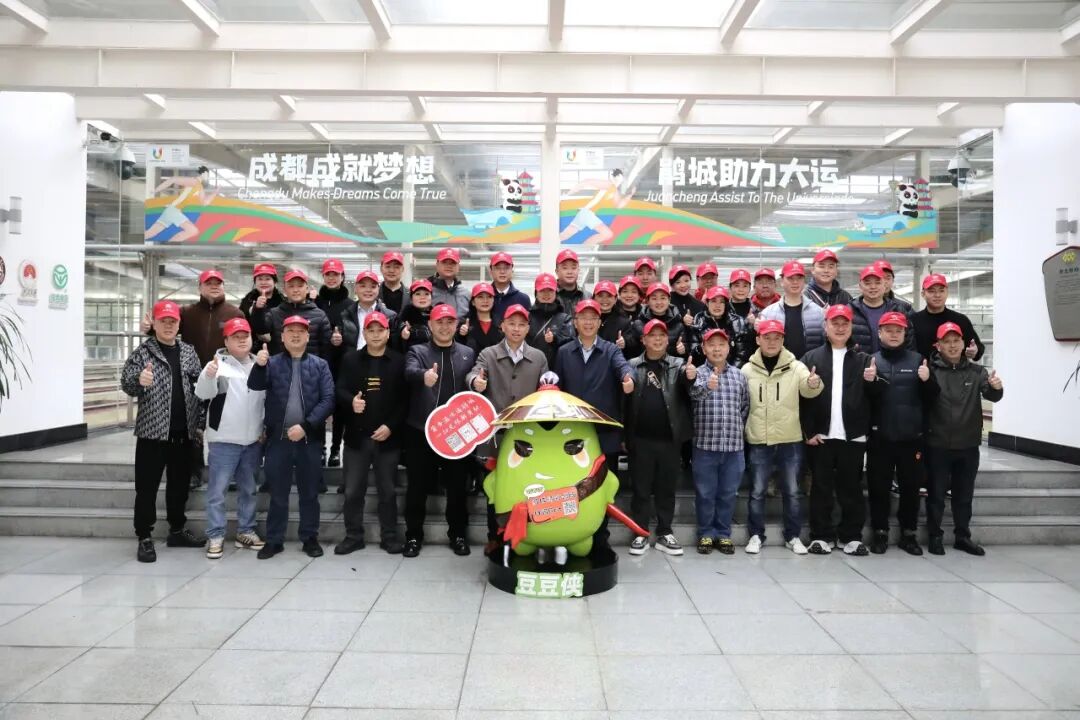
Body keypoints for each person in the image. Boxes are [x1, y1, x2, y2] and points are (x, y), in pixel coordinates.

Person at [120, 300, 207, 563]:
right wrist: (139, 380)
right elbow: (126, 383)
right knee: (146, 488)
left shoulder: (189, 352)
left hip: (183, 433)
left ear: (179, 324)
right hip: (152, 433)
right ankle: (144, 537)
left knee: (179, 486)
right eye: (163, 321)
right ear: (154, 324)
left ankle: (177, 530)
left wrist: (199, 425)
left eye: (173, 321)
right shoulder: (144, 352)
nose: (168, 326)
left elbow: (200, 389)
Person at [247, 315, 335, 559]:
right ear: (282, 337)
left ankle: (310, 538)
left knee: (310, 493)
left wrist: (306, 426)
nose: (296, 335)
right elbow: (255, 386)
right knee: (278, 493)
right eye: (290, 331)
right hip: (278, 440)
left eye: (301, 331)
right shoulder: (272, 363)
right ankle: (274, 540)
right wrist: (259, 365)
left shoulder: (320, 365)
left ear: (308, 336)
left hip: (309, 439)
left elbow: (328, 400)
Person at [800, 304, 881, 556]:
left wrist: (873, 382)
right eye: (834, 323)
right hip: (821, 436)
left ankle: (851, 537)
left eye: (844, 323)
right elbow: (800, 400)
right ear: (825, 327)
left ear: (851, 327)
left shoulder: (865, 360)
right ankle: (820, 536)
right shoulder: (810, 358)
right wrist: (808, 431)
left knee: (852, 488)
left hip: (853, 436)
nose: (840, 327)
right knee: (820, 488)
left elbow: (876, 399)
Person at [555, 299, 635, 553]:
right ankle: (571, 535)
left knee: (602, 489)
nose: (588, 323)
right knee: (571, 486)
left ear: (600, 323)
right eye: (583, 318)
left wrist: (628, 378)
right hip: (572, 435)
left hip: (605, 434)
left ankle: (601, 538)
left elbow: (624, 368)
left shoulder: (610, 350)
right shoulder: (564, 352)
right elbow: (556, 387)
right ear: (575, 322)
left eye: (593, 318)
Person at [467, 304, 549, 550]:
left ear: (528, 328)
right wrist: (476, 382)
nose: (516, 329)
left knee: (526, 486)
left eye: (521, 324)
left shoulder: (538, 357)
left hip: (526, 437)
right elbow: (473, 374)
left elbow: (546, 388)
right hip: (495, 435)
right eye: (511, 324)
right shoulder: (489, 354)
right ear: (502, 326)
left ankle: (526, 537)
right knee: (494, 488)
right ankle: (494, 536)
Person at [402, 304, 477, 558]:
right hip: (421, 430)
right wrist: (423, 375)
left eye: (449, 322)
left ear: (456, 325)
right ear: (430, 325)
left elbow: (474, 378)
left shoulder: (467, 353)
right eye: (439, 322)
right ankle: (413, 536)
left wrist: (477, 382)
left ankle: (458, 534)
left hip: (456, 433)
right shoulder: (418, 351)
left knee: (457, 487)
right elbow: (408, 371)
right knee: (417, 487)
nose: (444, 327)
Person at [741, 319, 822, 555]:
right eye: (767, 337)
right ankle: (756, 535)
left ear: (783, 340)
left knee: (792, 492)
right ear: (758, 339)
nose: (772, 342)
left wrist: (814, 383)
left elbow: (809, 389)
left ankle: (793, 536)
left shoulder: (796, 367)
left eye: (777, 338)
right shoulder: (747, 370)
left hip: (790, 440)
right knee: (757, 491)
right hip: (759, 440)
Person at [923, 321, 1004, 556]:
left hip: (968, 444)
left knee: (964, 495)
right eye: (946, 341)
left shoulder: (977, 372)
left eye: (956, 341)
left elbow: (992, 395)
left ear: (963, 343)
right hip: (937, 443)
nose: (952, 346)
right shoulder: (930, 371)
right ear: (938, 345)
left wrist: (996, 388)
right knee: (936, 494)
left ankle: (962, 537)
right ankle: (935, 536)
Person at [334, 311, 406, 555]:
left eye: (380, 330)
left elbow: (404, 401)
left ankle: (389, 536)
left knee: (388, 491)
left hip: (388, 438)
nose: (375, 335)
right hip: (357, 438)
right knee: (353, 491)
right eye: (370, 330)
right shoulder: (350, 359)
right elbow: (340, 389)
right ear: (363, 333)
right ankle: (353, 536)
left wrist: (391, 426)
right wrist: (351, 402)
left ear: (388, 333)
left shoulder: (398, 361)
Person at [194, 317, 266, 559]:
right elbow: (203, 394)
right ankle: (215, 534)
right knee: (217, 492)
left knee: (249, 490)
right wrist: (209, 376)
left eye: (245, 336)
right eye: (236, 337)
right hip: (224, 440)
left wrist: (263, 428)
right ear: (226, 341)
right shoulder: (216, 365)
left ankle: (246, 530)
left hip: (252, 441)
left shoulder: (260, 364)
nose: (242, 340)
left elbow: (265, 400)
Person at [624, 319, 694, 556]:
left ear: (667, 340)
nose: (657, 339)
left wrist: (691, 376)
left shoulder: (678, 364)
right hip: (640, 439)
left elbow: (689, 384)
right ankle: (640, 532)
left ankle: (665, 532)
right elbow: (624, 403)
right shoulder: (632, 365)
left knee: (666, 489)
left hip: (669, 440)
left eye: (661, 335)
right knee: (641, 489)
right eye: (652, 335)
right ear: (643, 340)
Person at [868, 311, 933, 555]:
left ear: (905, 334)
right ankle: (880, 532)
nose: (894, 335)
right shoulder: (872, 361)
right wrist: (868, 383)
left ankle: (909, 534)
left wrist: (928, 381)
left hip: (911, 437)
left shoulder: (918, 360)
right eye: (889, 330)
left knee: (910, 489)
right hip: (880, 438)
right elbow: (865, 400)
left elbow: (932, 397)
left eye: (898, 331)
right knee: (878, 488)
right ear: (880, 333)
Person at [689, 328, 750, 555]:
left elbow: (745, 407)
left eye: (721, 344)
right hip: (705, 446)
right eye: (711, 344)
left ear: (728, 347)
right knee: (705, 493)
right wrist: (708, 387)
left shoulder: (739, 375)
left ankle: (723, 534)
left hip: (734, 447)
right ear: (703, 348)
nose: (717, 349)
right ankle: (705, 533)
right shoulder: (696, 374)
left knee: (728, 493)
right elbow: (692, 398)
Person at [315, 258, 353, 469]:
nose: (331, 278)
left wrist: (343, 339)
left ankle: (336, 448)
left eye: (335, 274)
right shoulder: (315, 303)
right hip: (319, 361)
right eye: (328, 274)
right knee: (320, 405)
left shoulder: (350, 305)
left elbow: (356, 334)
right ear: (323, 277)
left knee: (340, 408)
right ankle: (320, 447)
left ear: (342, 277)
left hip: (342, 363)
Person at [252, 268, 332, 358]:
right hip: (280, 365)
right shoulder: (274, 313)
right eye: (291, 286)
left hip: (310, 366)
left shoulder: (320, 315)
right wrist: (258, 309)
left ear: (307, 289)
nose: (295, 290)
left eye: (300, 286)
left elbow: (326, 348)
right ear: (284, 290)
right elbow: (260, 329)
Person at [759, 261, 827, 359]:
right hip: (779, 366)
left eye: (799, 278)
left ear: (804, 281)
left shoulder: (818, 312)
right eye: (790, 278)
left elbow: (824, 344)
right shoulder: (768, 314)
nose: (795, 282)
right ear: (782, 281)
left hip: (810, 366)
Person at [911, 273, 985, 362]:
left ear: (947, 293)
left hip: (955, 370)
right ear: (923, 294)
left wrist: (975, 351)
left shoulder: (960, 320)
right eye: (932, 291)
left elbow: (978, 347)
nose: (937, 295)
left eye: (941, 291)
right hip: (923, 370)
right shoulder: (913, 321)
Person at [850, 264, 915, 355]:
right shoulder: (849, 310)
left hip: (893, 363)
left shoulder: (899, 310)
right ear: (860, 286)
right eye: (867, 283)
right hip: (859, 363)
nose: (873, 287)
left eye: (877, 283)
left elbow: (910, 343)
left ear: (884, 285)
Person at [690, 286, 751, 368]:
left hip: (733, 370)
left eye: (722, 302)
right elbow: (693, 356)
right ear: (707, 303)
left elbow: (742, 354)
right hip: (705, 370)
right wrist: (700, 348)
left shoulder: (738, 322)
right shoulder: (698, 321)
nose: (717, 305)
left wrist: (730, 371)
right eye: (713, 301)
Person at [527, 273, 574, 367]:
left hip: (557, 369)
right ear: (536, 293)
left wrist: (555, 339)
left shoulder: (565, 318)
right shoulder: (527, 317)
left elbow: (571, 344)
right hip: (531, 368)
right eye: (542, 290)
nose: (546, 294)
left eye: (550, 290)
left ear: (556, 293)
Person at [634, 282, 688, 359]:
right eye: (654, 298)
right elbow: (632, 353)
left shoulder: (679, 325)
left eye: (663, 298)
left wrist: (683, 351)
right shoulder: (638, 324)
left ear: (669, 300)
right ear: (648, 301)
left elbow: (686, 354)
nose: (659, 302)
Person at [240, 263, 284, 345]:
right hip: (251, 347)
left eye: (267, 279)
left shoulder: (282, 302)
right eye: (260, 279)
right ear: (255, 282)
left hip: (277, 347)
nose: (263, 282)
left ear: (274, 282)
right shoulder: (247, 301)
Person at [595, 280, 639, 359]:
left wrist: (625, 342)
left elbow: (632, 345)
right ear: (594, 298)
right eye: (600, 296)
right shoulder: (587, 319)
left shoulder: (624, 322)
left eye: (609, 296)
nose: (604, 299)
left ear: (615, 299)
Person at [458, 282, 504, 354]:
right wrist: (461, 335)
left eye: (489, 297)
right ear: (473, 302)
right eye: (480, 297)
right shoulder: (464, 324)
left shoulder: (501, 324)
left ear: (493, 300)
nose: (485, 301)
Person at [394, 279, 434, 352]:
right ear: (411, 298)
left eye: (426, 294)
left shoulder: (436, 313)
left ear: (431, 297)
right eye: (418, 294)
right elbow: (398, 323)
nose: (422, 297)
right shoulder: (407, 312)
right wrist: (403, 331)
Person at [488, 251, 531, 319]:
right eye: (498, 268)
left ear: (512, 271)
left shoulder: (523, 299)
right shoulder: (483, 298)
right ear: (491, 272)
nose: (502, 272)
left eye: (506, 268)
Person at [431, 247, 470, 318]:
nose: (449, 266)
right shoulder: (427, 292)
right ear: (437, 265)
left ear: (458, 266)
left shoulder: (466, 294)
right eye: (444, 262)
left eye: (453, 263)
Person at [554, 248, 589, 316]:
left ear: (578, 270)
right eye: (565, 268)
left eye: (573, 268)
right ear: (557, 271)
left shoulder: (587, 297)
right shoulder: (549, 296)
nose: (570, 272)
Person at [669, 264, 706, 329]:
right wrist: (681, 320)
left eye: (686, 281)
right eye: (678, 282)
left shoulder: (699, 305)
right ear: (672, 285)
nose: (683, 285)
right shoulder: (666, 303)